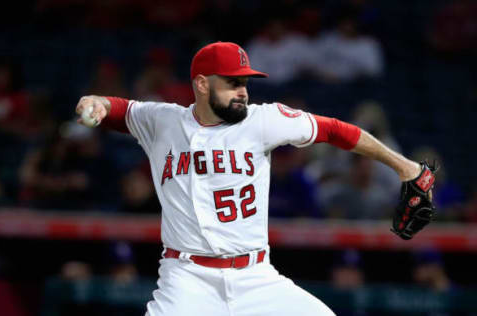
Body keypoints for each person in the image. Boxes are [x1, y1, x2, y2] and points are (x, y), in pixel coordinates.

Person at [75, 42, 424, 316]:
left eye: (244, 82)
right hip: (187, 280)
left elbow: (335, 130)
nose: (242, 91)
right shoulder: (161, 120)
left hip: (256, 277)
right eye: (232, 83)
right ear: (200, 84)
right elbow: (116, 108)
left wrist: (403, 165)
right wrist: (94, 102)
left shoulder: (264, 120)